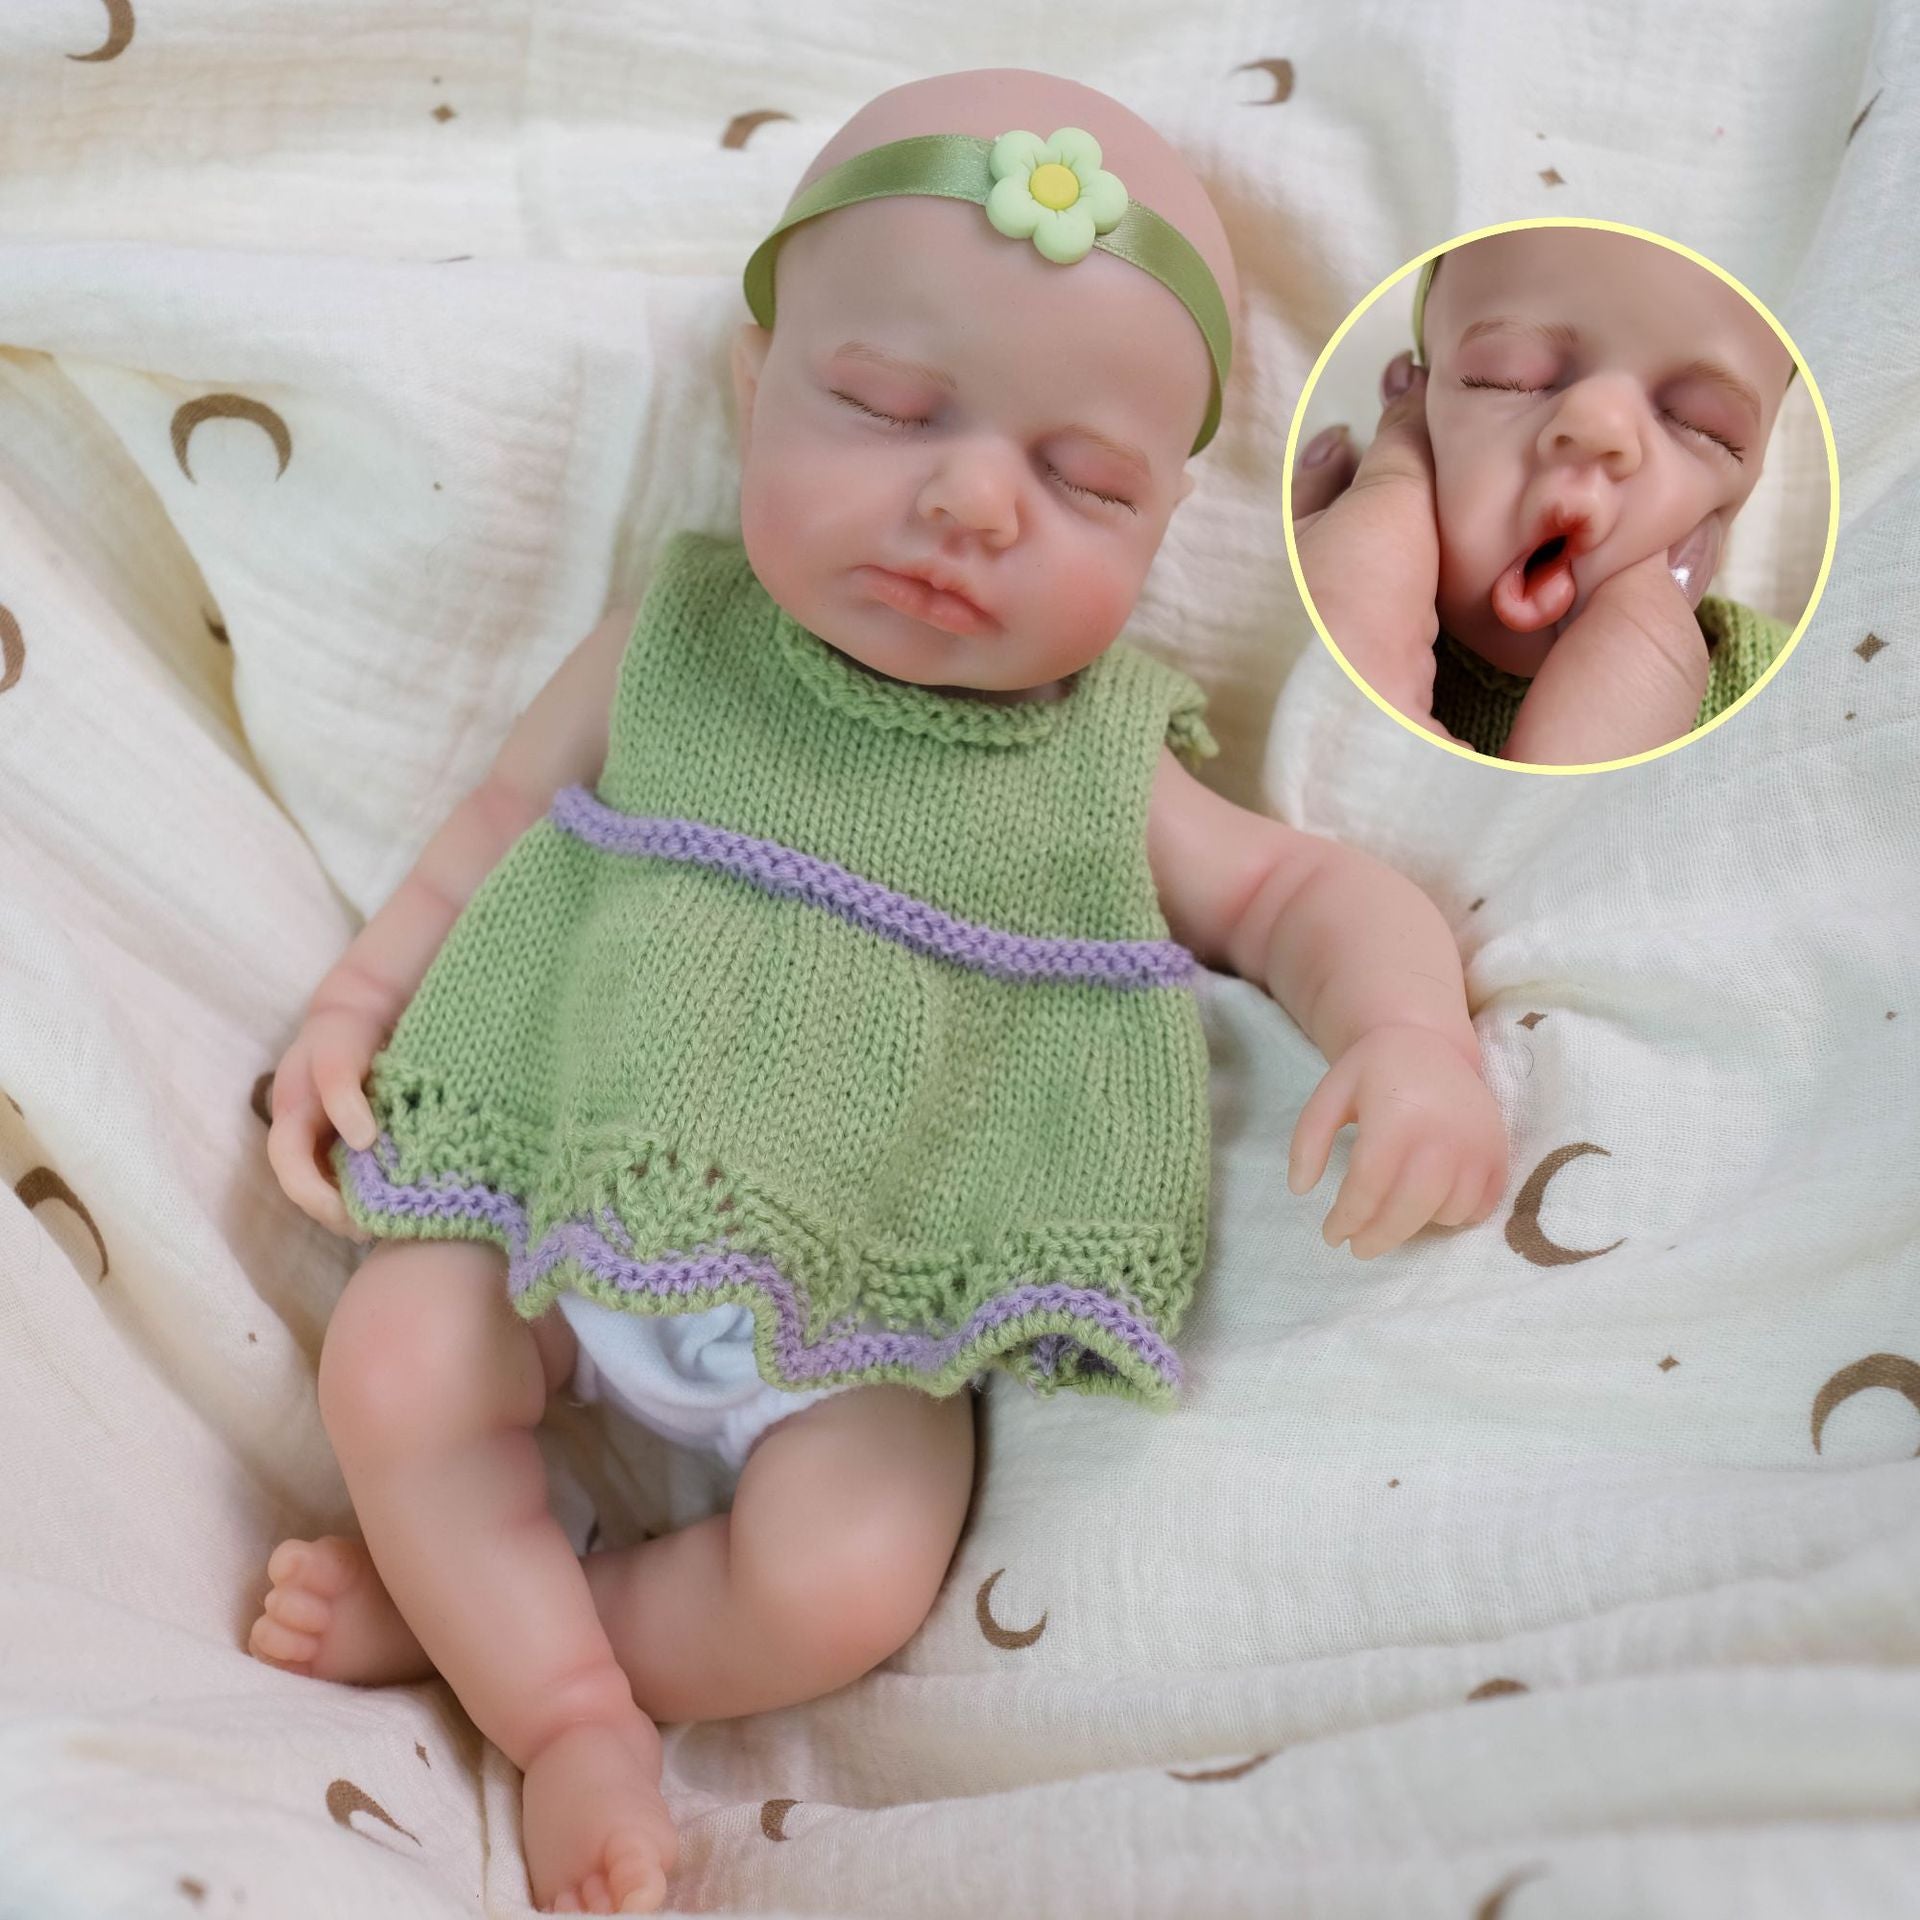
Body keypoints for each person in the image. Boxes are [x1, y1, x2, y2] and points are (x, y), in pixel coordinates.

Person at [248, 68, 1507, 1915]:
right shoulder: (676, 639)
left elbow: (1305, 893)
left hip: (870, 1309)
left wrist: (1410, 1036)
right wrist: (358, 1003)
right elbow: (493, 830)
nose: (972, 500)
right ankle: (566, 1713)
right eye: (890, 408)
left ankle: (528, 1635)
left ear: (1163, 527)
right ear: (756, 383)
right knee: (397, 1363)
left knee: (842, 1581)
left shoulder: (1095, 761)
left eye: (1083, 481)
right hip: (556, 1186)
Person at [1294, 225, 1799, 765]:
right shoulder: (1321, 600)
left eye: (1700, 425)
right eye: (1507, 377)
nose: (1600, 427)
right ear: (1419, 399)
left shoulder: (1783, 691)